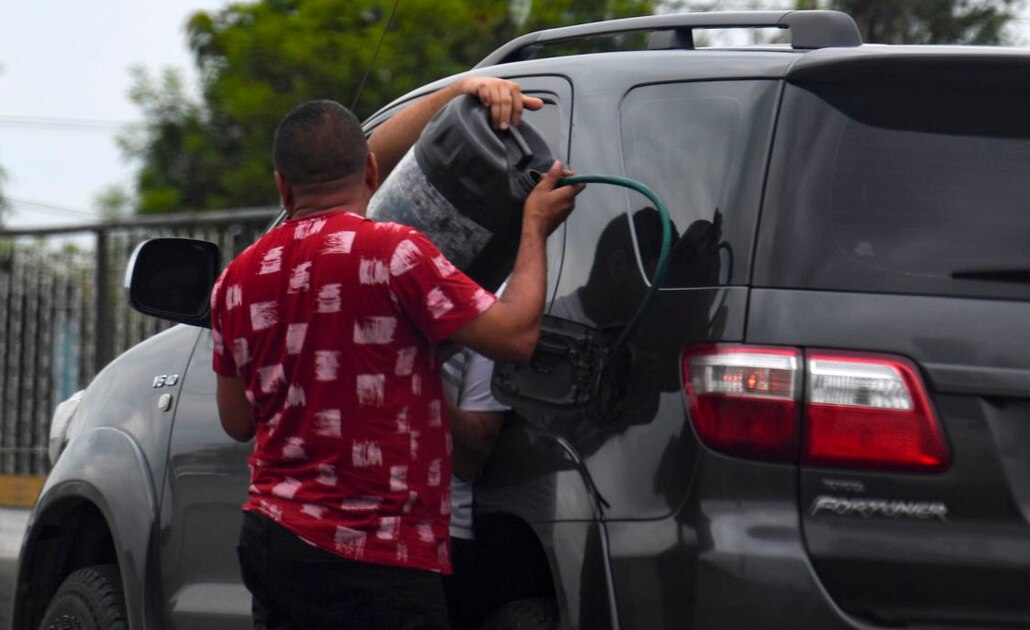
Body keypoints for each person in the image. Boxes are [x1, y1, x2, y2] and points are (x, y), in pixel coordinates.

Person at [209, 75, 584, 630]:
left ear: (282, 188)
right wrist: (534, 226)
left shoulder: (236, 280)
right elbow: (515, 336)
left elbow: (236, 420)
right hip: (379, 557)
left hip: (273, 540)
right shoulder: (394, 254)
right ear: (370, 172)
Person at [441, 347, 508, 630]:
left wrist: (410, 377)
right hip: (313, 521)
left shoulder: (479, 317)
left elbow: (470, 457)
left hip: (433, 532)